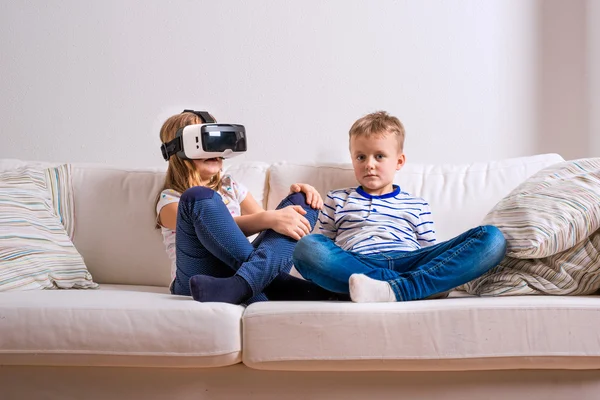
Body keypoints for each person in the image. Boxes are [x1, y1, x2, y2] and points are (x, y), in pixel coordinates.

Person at [292, 111, 507, 302]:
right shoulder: (337, 199)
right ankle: (410, 287)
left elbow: (429, 251)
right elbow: (327, 247)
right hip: (358, 264)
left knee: (491, 238)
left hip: (411, 261)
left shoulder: (417, 204)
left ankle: (394, 288)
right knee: (307, 247)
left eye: (379, 156)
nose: (369, 164)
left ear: (399, 161)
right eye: (360, 157)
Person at [156, 111, 341, 305]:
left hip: (238, 270)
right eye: (204, 143)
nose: (213, 151)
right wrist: (271, 218)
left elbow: (272, 229)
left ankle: (242, 286)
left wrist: (296, 200)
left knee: (303, 199)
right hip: (197, 277)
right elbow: (214, 225)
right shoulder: (170, 200)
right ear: (177, 150)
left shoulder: (230, 187)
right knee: (199, 196)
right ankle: (271, 283)